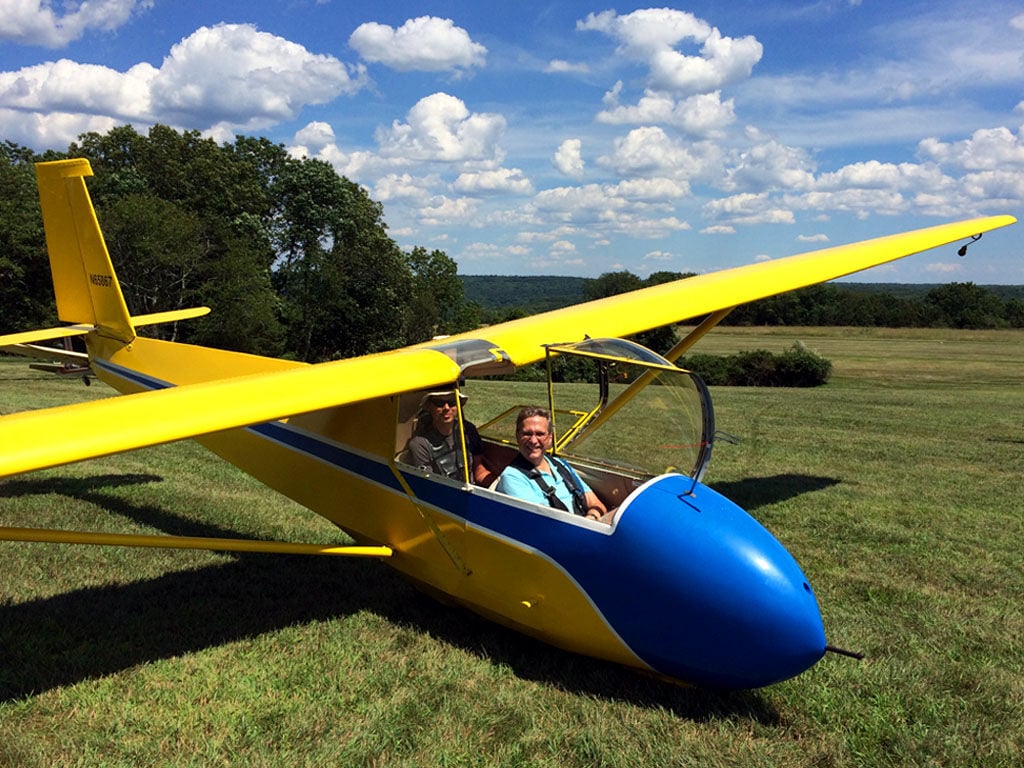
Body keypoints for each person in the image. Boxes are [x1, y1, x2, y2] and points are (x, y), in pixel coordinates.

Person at [495, 406, 611, 523]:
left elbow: (596, 504)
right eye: (527, 434)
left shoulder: (560, 465)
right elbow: (544, 526)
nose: (533, 440)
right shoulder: (512, 477)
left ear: (550, 438)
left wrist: (591, 518)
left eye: (540, 434)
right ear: (517, 436)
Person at [406, 390, 496, 486]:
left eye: (452, 402)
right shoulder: (420, 444)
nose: (447, 408)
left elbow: (478, 470)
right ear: (429, 407)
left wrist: (497, 483)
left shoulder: (468, 429)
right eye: (439, 403)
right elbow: (428, 486)